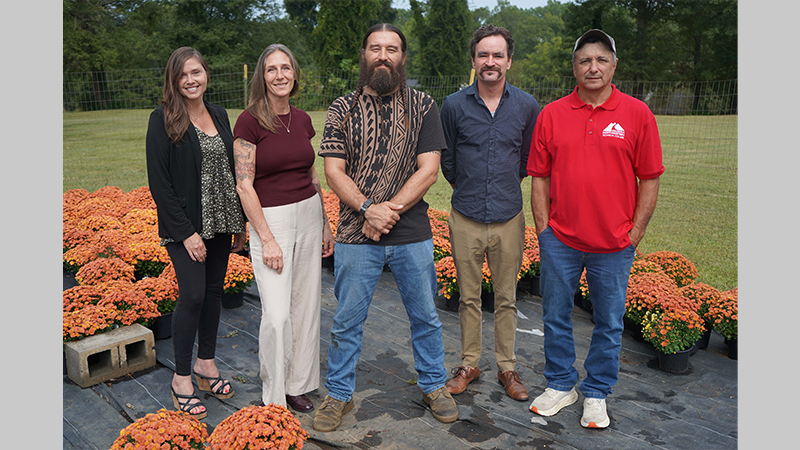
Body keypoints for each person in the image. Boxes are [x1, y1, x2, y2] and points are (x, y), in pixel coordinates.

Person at [312, 23, 458, 432]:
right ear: (363, 55)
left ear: (402, 57)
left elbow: (429, 170)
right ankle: (338, 395)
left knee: (426, 316)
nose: (382, 55)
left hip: (411, 234)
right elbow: (333, 171)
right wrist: (367, 210)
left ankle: (433, 386)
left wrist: (385, 212)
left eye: (391, 49)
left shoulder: (424, 105)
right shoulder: (341, 108)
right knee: (346, 322)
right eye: (375, 48)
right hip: (356, 236)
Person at [527, 29, 664, 429]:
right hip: (561, 241)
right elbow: (539, 177)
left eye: (601, 60)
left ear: (614, 65)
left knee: (608, 321)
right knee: (554, 315)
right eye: (585, 60)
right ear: (574, 67)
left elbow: (650, 178)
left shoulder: (637, 114)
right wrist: (544, 231)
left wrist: (634, 234)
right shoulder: (551, 114)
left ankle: (597, 392)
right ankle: (561, 384)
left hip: (614, 245)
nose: (593, 67)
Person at [439, 25, 539, 402]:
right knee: (467, 296)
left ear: (509, 61)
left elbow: (527, 159)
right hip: (465, 216)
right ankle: (469, 363)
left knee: (506, 297)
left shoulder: (527, 106)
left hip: (508, 217)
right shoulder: (454, 105)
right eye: (484, 55)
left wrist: (498, 187)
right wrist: (470, 187)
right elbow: (447, 159)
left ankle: (507, 367)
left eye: (498, 55)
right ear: (474, 60)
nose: (490, 62)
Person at [232, 44, 335, 412]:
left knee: (305, 307)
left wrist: (324, 222)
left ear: (294, 74)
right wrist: (267, 238)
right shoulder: (249, 121)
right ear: (262, 75)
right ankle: (274, 395)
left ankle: (298, 385)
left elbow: (310, 174)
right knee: (276, 315)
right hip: (270, 219)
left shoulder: (303, 119)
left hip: (308, 214)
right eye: (272, 69)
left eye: (286, 68)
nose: (279, 75)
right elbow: (245, 184)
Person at [146, 47, 246, 419]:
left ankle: (206, 364)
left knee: (213, 293)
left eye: (196, 72)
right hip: (185, 228)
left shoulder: (219, 114)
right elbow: (160, 184)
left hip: (221, 221)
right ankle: (182, 378)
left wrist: (239, 223)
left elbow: (234, 172)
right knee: (191, 295)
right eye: (182, 75)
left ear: (206, 74)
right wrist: (187, 233)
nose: (190, 80)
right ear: (174, 81)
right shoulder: (162, 119)